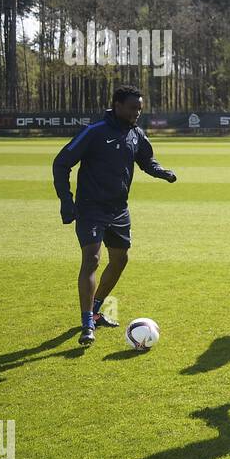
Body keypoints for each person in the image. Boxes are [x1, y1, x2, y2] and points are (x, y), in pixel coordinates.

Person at [52, 85, 177, 346]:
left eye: (140, 109)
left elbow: (147, 161)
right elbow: (61, 162)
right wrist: (66, 199)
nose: (137, 113)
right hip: (91, 208)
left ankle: (96, 310)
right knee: (92, 259)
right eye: (133, 108)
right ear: (117, 105)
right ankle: (87, 323)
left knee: (120, 259)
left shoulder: (136, 134)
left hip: (119, 209)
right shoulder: (95, 132)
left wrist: (162, 172)